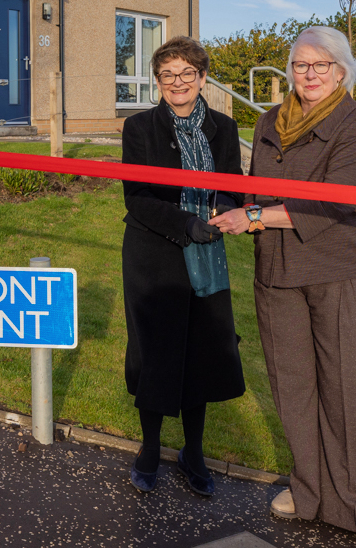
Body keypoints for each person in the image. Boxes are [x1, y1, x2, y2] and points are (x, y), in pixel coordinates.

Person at [210, 26, 356, 548]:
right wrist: (241, 212)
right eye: (300, 65)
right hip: (278, 271)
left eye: (321, 65)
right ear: (289, 71)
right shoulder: (271, 120)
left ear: (341, 71)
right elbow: (255, 189)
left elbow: (338, 198)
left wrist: (257, 216)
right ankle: (309, 491)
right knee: (292, 385)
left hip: (337, 269)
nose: (309, 75)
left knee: (348, 389)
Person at [120, 35, 245, 496]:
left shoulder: (225, 129)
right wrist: (186, 222)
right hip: (154, 256)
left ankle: (194, 452)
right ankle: (149, 449)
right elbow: (136, 198)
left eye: (187, 74)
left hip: (208, 253)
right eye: (168, 75)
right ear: (158, 81)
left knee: (201, 355)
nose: (178, 82)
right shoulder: (139, 128)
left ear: (202, 78)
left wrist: (227, 212)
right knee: (155, 353)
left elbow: (234, 185)